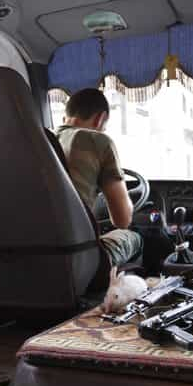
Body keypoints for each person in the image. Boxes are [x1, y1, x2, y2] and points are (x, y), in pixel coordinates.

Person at [54, 88, 142, 267]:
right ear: (100, 119)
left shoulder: (42, 139)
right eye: (105, 126)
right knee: (134, 237)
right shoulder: (98, 141)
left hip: (36, 254)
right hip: (77, 257)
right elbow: (122, 220)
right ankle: (113, 293)